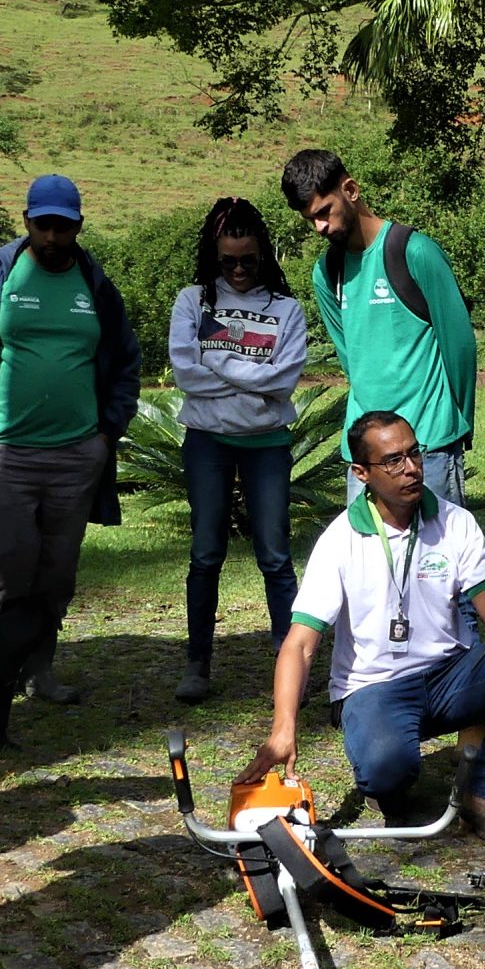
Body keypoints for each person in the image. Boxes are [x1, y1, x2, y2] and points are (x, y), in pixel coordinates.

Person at [238, 411, 485, 851]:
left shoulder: (455, 522)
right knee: (387, 772)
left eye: (414, 454)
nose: (410, 468)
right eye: (392, 461)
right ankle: (391, 779)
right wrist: (283, 728)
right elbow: (299, 643)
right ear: (361, 473)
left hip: (450, 675)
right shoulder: (340, 540)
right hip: (374, 687)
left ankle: (480, 794)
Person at [0, 174, 142, 702]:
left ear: (78, 226)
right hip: (5, 453)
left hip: (77, 453)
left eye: (63, 226)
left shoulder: (95, 285)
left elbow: (124, 362)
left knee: (56, 571)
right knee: (4, 564)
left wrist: (106, 433)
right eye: (43, 224)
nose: (52, 236)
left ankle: (40, 671)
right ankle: (0, 665)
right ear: (26, 222)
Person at [168, 196, 307, 705]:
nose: (240, 270)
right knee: (206, 553)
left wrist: (218, 364)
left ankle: (288, 664)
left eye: (249, 259)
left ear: (264, 255)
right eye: (230, 261)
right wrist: (255, 381)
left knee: (275, 556)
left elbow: (285, 379)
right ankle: (197, 662)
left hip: (266, 444)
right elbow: (185, 371)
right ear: (214, 256)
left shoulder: (286, 309)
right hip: (207, 442)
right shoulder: (192, 302)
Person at [281, 149, 477, 502]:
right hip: (365, 458)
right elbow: (350, 359)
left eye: (324, 212)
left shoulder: (415, 253)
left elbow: (459, 346)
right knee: (371, 558)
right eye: (310, 219)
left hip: (427, 447)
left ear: (351, 191)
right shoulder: (327, 274)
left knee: (436, 558)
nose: (319, 227)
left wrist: (456, 424)